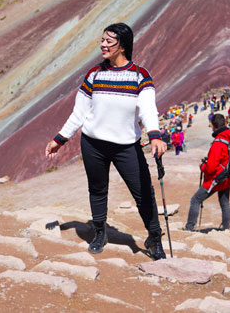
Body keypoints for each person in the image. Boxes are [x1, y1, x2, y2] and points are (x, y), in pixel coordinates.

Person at [45, 23, 168, 259]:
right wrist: (60, 139)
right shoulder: (94, 74)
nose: (103, 45)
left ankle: (154, 237)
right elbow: (79, 112)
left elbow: (148, 109)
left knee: (143, 192)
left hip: (126, 147)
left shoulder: (140, 76)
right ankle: (100, 233)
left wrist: (155, 135)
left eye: (109, 41)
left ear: (122, 46)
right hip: (93, 144)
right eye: (102, 40)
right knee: (97, 189)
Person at [184, 114, 230, 231]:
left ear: (213, 126)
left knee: (195, 199)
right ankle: (226, 229)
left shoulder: (219, 142)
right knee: (224, 203)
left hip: (217, 179)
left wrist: (202, 166)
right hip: (228, 177)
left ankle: (189, 228)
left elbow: (210, 168)